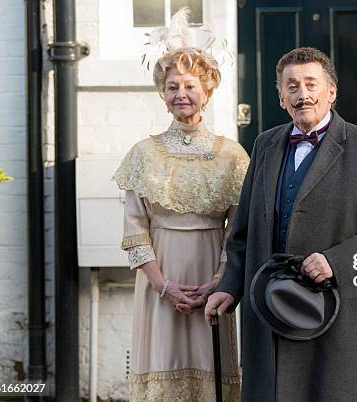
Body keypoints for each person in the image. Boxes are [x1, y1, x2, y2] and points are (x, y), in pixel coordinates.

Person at [205, 47, 357, 401]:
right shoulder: (265, 144)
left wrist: (336, 261)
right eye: (292, 86)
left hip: (334, 316)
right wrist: (229, 286)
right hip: (268, 313)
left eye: (311, 84)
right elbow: (243, 234)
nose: (303, 95)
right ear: (281, 97)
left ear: (332, 92)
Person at [113, 47, 249, 402]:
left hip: (212, 279)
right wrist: (163, 286)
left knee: (212, 370)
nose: (181, 95)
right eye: (172, 87)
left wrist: (221, 279)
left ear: (206, 91)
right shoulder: (144, 153)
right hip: (159, 280)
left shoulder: (231, 155)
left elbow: (238, 229)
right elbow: (134, 229)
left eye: (189, 86)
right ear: (163, 94)